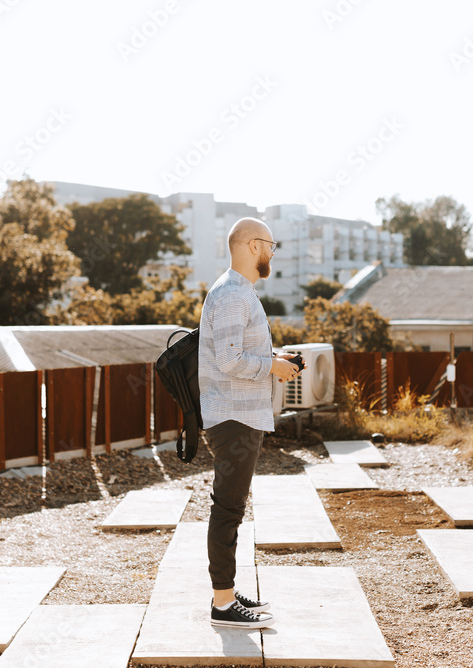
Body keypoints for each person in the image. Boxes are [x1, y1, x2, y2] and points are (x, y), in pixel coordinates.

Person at [198, 217, 304, 629]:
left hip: (240, 415)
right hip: (233, 417)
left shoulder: (238, 292)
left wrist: (276, 359)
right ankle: (223, 606)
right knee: (227, 508)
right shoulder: (231, 294)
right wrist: (273, 366)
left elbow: (239, 352)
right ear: (252, 245)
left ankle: (225, 591)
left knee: (232, 507)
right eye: (270, 246)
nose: (273, 253)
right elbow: (228, 360)